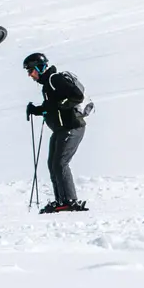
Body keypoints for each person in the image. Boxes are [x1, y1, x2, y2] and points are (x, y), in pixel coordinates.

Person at [24, 52, 90, 212]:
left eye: (31, 71)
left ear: (39, 68)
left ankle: (70, 200)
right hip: (61, 129)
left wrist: (64, 104)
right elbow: (52, 108)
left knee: (60, 163)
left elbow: (77, 96)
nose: (30, 75)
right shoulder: (48, 85)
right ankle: (61, 200)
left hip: (72, 127)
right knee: (52, 164)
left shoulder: (55, 79)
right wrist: (36, 110)